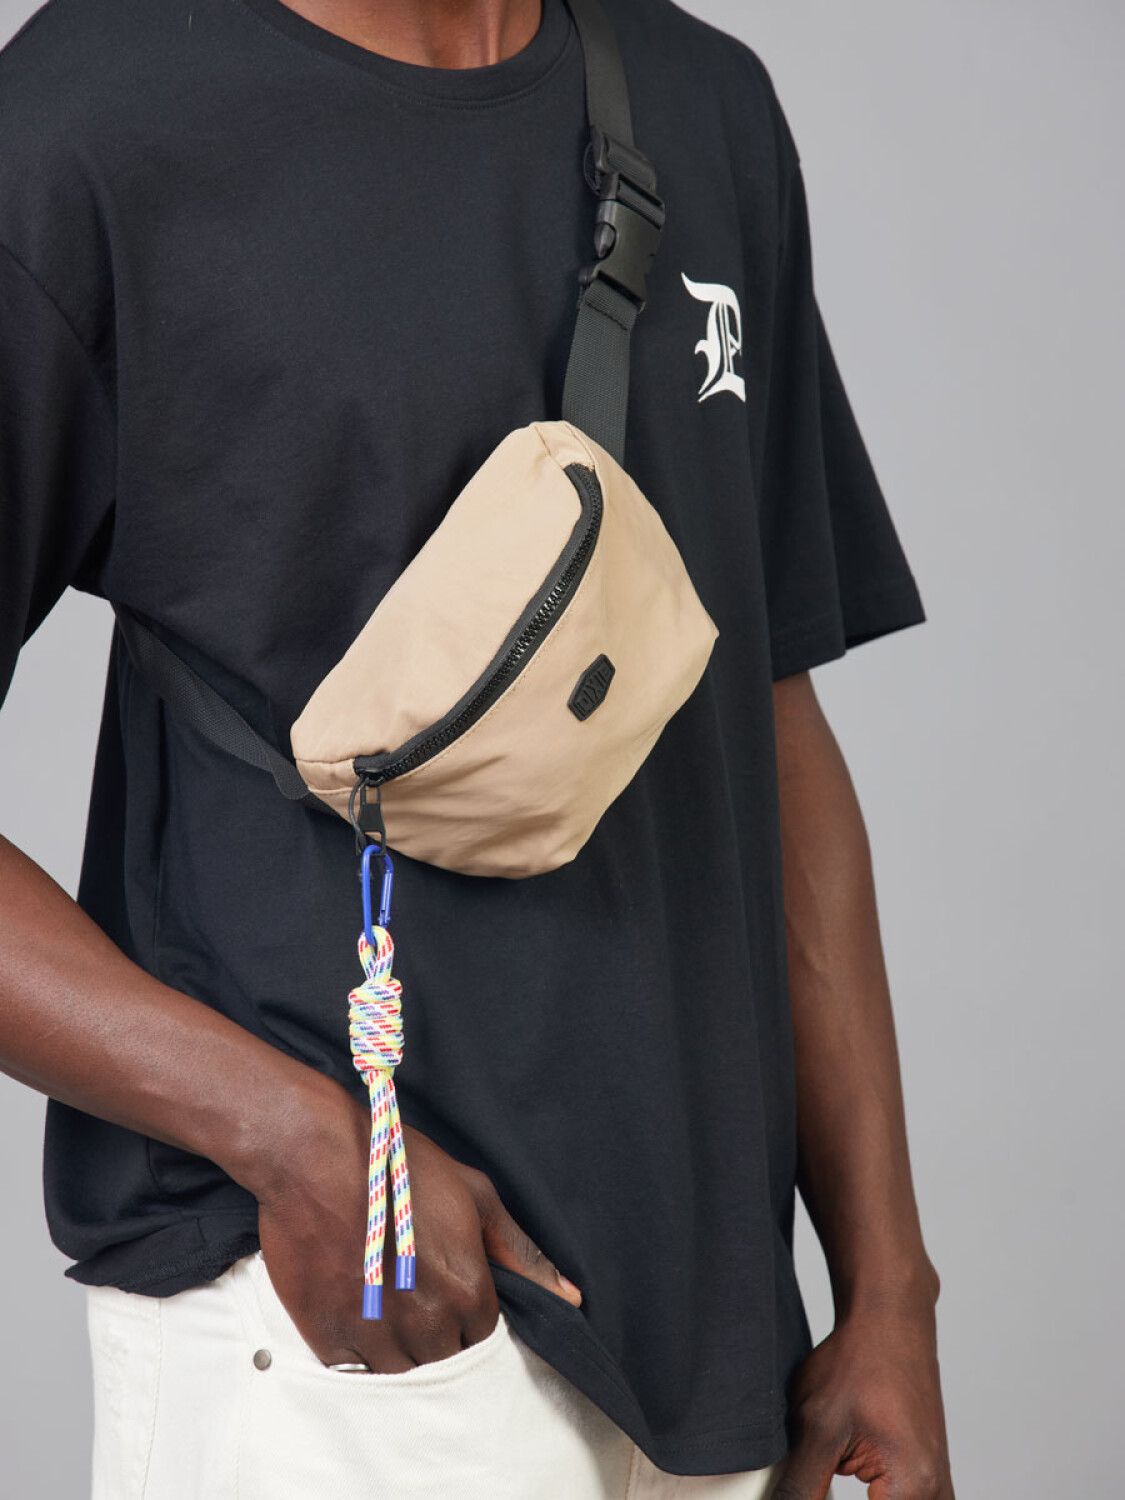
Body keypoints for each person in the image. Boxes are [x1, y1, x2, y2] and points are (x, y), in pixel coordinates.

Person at [0, 0, 955, 1495]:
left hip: (712, 1359)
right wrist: (293, 1139)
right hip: (339, 1312)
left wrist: (889, 1289)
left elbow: (763, 730)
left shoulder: (705, 103)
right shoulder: (100, 108)